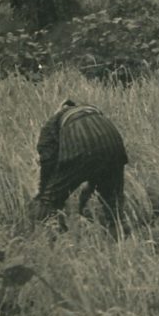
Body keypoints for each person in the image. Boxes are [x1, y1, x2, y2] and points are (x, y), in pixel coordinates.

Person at [29, 100, 129, 235]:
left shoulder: (53, 122)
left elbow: (47, 160)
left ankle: (43, 236)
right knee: (113, 202)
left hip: (81, 142)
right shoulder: (92, 110)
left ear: (60, 110)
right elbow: (98, 162)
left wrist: (45, 192)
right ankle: (120, 236)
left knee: (48, 200)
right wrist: (87, 193)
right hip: (113, 141)